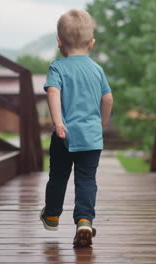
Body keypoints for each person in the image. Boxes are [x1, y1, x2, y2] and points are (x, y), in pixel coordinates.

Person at [40, 9, 113, 247]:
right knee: (86, 180)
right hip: (91, 138)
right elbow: (108, 99)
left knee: (58, 176)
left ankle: (51, 215)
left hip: (64, 135)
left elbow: (53, 91)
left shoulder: (58, 67)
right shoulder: (97, 69)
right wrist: (100, 124)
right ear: (91, 43)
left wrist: (58, 122)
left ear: (59, 41)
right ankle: (84, 220)